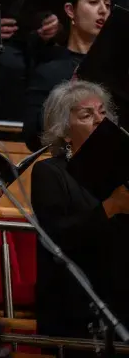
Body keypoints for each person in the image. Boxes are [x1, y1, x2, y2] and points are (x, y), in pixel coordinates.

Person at [32, 80, 129, 348]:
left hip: (121, 298)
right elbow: (58, 237)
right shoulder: (50, 172)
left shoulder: (123, 170)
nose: (99, 120)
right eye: (87, 115)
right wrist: (111, 207)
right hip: (74, 304)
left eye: (102, 112)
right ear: (64, 131)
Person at [23, 0, 111, 150]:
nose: (103, 10)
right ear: (70, 10)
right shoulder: (49, 69)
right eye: (93, 2)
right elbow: (32, 137)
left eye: (107, 5)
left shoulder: (113, 69)